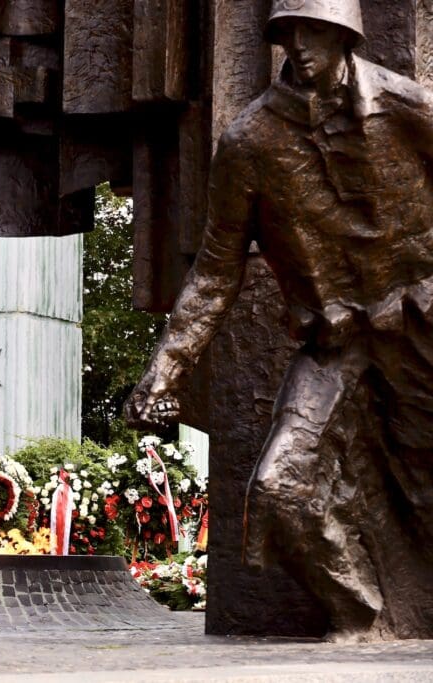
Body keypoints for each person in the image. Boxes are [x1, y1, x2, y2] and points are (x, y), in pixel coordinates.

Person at [125, 0, 433, 639]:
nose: (298, 46)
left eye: (313, 31)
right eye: (287, 33)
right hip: (334, 345)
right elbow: (216, 269)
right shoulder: (250, 141)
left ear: (345, 34)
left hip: (421, 329)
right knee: (279, 488)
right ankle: (364, 616)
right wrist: (166, 368)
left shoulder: (409, 109)